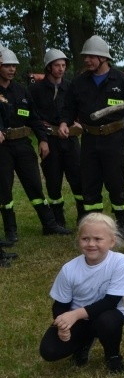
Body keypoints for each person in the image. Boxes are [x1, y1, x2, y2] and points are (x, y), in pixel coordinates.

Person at [58, 36, 124, 241]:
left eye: (91, 56)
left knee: (116, 183)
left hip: (114, 139)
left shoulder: (121, 80)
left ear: (103, 58)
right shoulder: (79, 82)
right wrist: (64, 122)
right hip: (89, 140)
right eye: (85, 56)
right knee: (90, 184)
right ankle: (93, 226)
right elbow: (68, 108)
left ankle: (122, 224)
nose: (87, 60)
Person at [39, 213, 124, 374]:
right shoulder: (69, 269)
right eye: (85, 239)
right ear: (78, 240)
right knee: (49, 351)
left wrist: (75, 314)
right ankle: (83, 344)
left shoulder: (119, 261)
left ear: (112, 241)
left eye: (98, 239)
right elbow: (60, 305)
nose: (91, 244)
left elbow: (111, 301)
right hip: (77, 321)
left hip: (105, 314)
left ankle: (113, 356)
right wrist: (62, 325)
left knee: (110, 321)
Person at [0, 48, 71, 239]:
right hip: (3, 148)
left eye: (14, 66)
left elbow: (34, 117)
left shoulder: (21, 90)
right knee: (4, 189)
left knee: (34, 185)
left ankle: (49, 225)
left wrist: (43, 139)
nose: (11, 69)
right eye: (7, 66)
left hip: (23, 144)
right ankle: (11, 231)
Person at [28, 48, 84, 228]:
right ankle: (58, 219)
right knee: (53, 180)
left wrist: (78, 122)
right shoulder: (35, 90)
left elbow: (80, 107)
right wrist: (41, 135)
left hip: (70, 140)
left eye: (63, 65)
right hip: (50, 140)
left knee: (77, 178)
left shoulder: (71, 87)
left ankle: (83, 215)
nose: (61, 69)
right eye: (57, 65)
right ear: (48, 67)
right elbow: (31, 114)